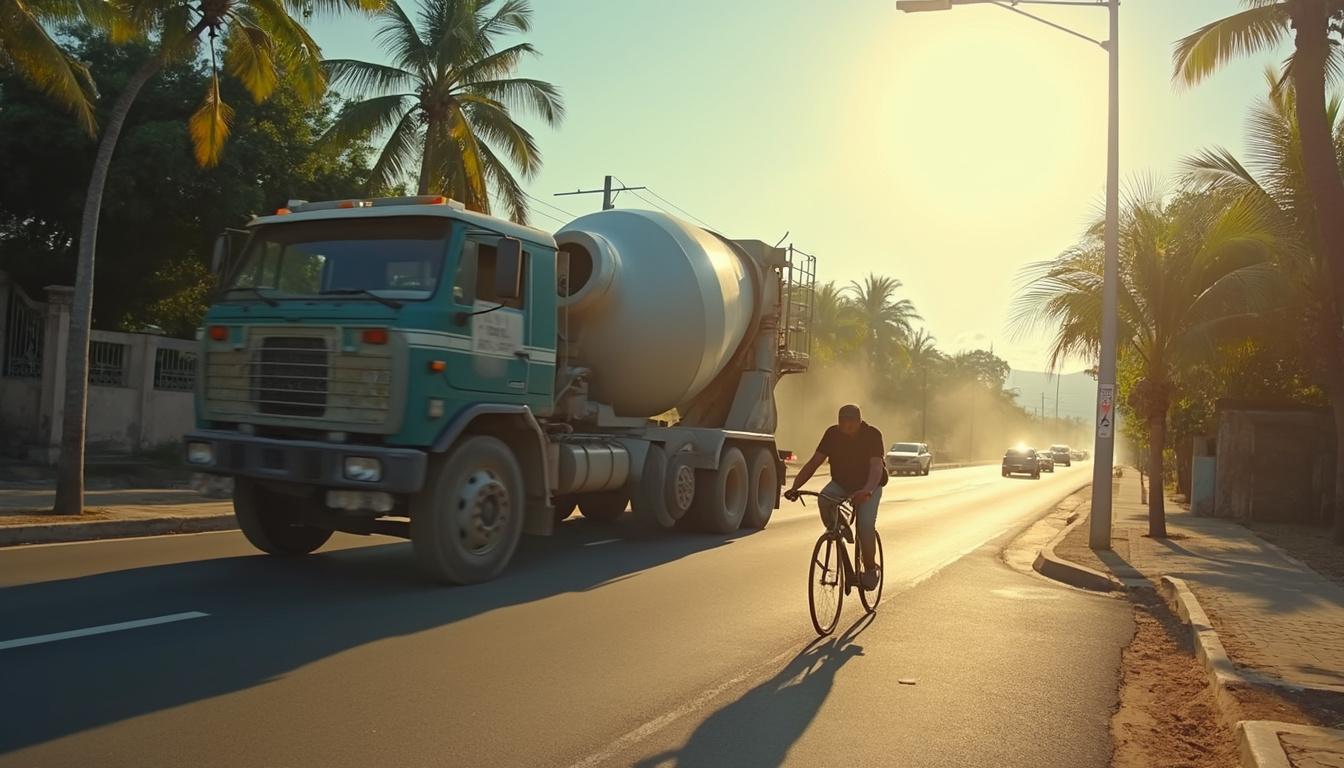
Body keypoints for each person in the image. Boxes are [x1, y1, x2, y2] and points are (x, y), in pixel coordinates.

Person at [784, 404, 886, 589]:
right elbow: (814, 462)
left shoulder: (872, 435)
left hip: (869, 485)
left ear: (859, 421)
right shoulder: (832, 434)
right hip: (841, 484)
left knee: (864, 526)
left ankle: (871, 568)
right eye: (842, 422)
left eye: (851, 423)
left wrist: (867, 490)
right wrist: (795, 487)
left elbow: (876, 467)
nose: (846, 426)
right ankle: (838, 527)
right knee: (824, 498)